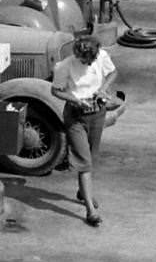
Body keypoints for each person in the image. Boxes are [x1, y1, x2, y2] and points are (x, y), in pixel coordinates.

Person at [51, 34, 118, 228]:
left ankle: (82, 191)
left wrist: (103, 89)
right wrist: (74, 100)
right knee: (84, 161)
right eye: (85, 60)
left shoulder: (101, 56)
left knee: (93, 156)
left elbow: (113, 73)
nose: (89, 64)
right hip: (76, 116)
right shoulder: (64, 66)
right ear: (78, 55)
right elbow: (56, 90)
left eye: (92, 60)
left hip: (97, 112)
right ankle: (91, 210)